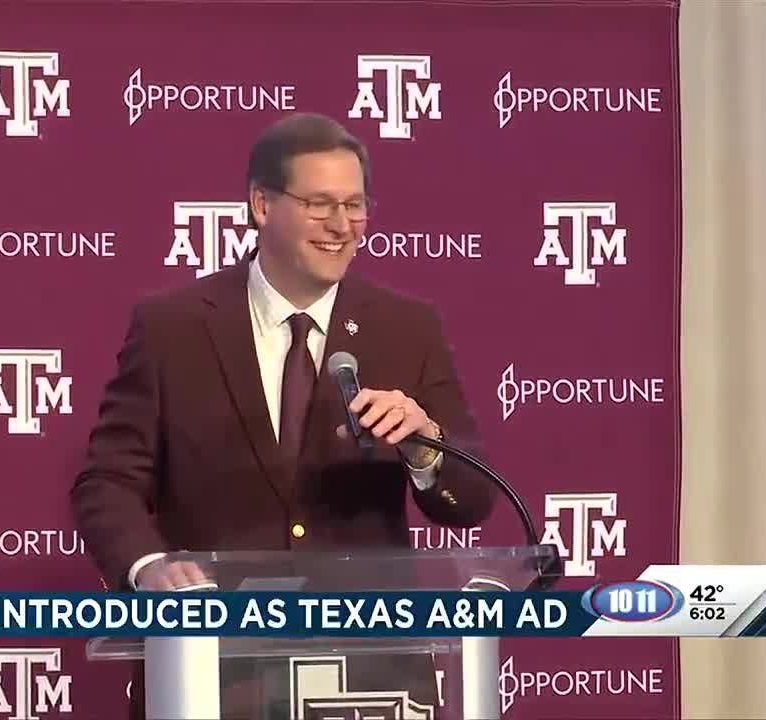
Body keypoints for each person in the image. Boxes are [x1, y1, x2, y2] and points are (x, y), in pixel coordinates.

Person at [70, 112, 495, 719]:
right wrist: (150, 566)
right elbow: (108, 481)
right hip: (216, 674)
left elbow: (472, 501)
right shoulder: (173, 327)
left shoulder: (407, 327)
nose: (342, 225)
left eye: (354, 205)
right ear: (262, 205)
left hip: (371, 676)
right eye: (320, 204)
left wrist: (426, 446)